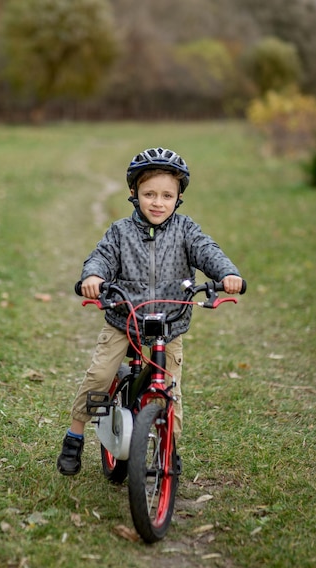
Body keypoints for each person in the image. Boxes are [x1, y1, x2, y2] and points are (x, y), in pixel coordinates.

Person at [57, 147, 243, 476]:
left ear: (178, 197)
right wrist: (94, 278)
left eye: (167, 195)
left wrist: (227, 274)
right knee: (100, 375)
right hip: (124, 317)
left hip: (169, 322)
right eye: (149, 194)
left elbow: (208, 251)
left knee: (170, 387)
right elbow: (100, 258)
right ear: (134, 194)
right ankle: (74, 436)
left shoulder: (187, 231)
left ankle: (168, 445)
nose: (158, 202)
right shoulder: (120, 232)